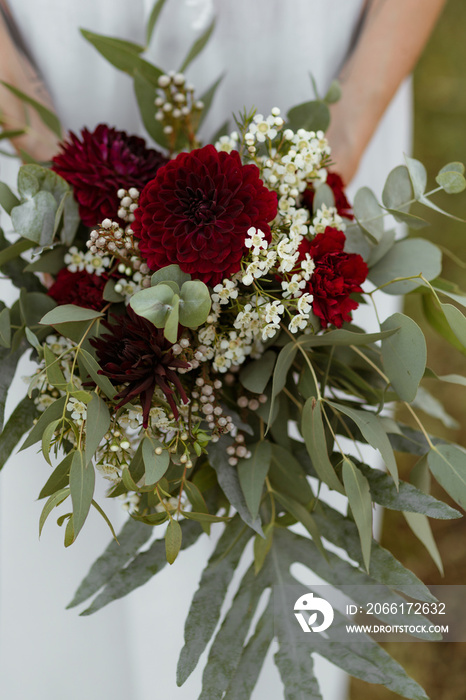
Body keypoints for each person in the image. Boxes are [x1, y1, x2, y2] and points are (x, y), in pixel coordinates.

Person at [0, 1, 447, 699]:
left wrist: (340, 140)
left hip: (323, 74)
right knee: (54, 528)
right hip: (46, 91)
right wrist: (33, 132)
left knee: (286, 471)